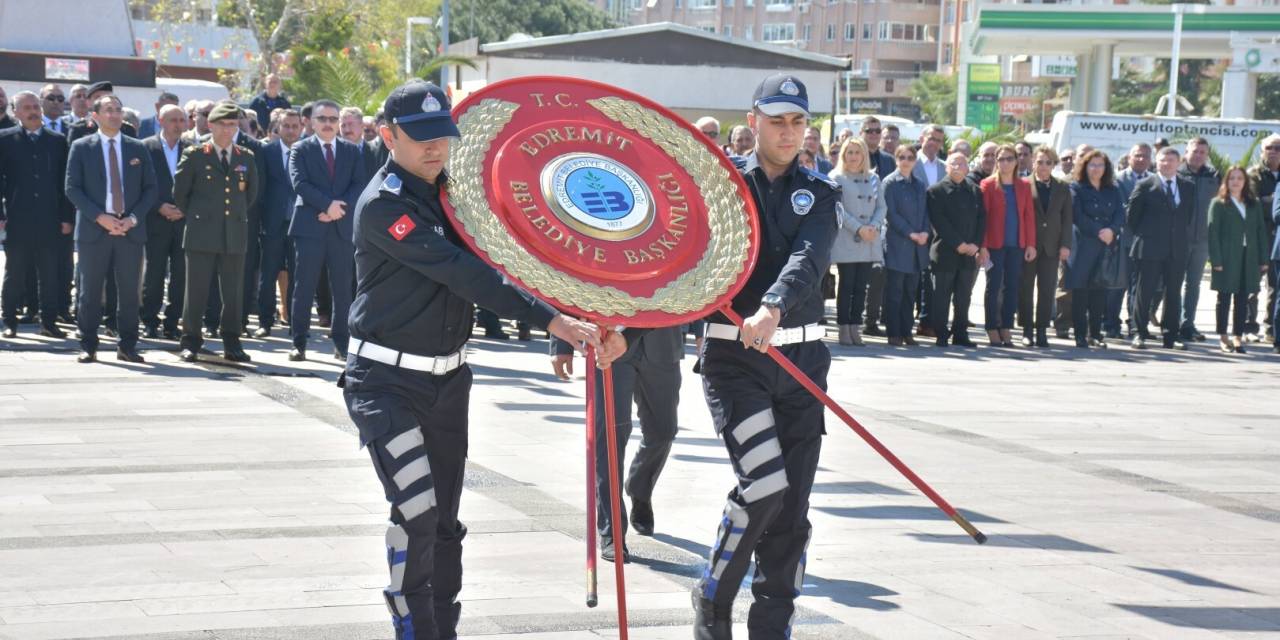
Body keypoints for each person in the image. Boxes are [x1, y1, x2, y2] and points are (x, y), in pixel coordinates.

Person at [343, 79, 620, 640]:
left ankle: (442, 626)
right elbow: (465, 272)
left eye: (441, 137)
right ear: (386, 136)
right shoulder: (384, 205)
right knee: (416, 510)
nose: (434, 149)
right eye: (419, 138)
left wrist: (588, 318)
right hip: (385, 381)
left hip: (448, 382)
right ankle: (413, 627)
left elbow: (527, 254)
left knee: (444, 523)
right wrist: (553, 320)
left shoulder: (459, 194)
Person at [691, 73, 838, 640]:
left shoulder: (820, 194)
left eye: (798, 121)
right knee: (764, 484)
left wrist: (773, 307)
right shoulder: (721, 188)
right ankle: (714, 595)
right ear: (752, 122)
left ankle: (773, 624)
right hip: (734, 362)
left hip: (801, 362)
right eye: (776, 120)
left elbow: (808, 257)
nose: (788, 132)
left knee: (792, 508)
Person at [551, 326, 682, 561]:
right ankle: (611, 531)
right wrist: (561, 343)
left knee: (664, 431)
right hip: (608, 344)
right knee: (610, 436)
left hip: (662, 345)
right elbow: (575, 288)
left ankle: (640, 488)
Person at [64, 94, 157, 363]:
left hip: (130, 231)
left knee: (129, 292)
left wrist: (133, 219)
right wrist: (99, 217)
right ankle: (88, 344)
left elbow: (151, 189)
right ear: (95, 116)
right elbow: (72, 188)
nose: (115, 115)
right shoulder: (82, 147)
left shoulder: (137, 148)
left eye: (118, 110)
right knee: (90, 291)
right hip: (95, 230)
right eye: (108, 110)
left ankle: (127, 346)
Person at [171, 101, 259, 363]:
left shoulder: (246, 157)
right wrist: (201, 217)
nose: (228, 130)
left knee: (232, 292)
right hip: (201, 232)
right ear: (210, 125)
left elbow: (250, 195)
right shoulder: (196, 154)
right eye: (223, 124)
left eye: (233, 124)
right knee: (195, 291)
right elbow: (180, 195)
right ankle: (190, 341)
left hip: (234, 233)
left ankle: (232, 341)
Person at [287, 99, 366, 361]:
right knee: (304, 287)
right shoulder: (300, 149)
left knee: (342, 289)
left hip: (341, 227)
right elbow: (300, 183)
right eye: (323, 119)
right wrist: (327, 204)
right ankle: (299, 342)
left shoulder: (352, 151)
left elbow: (359, 184)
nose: (329, 124)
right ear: (311, 121)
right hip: (310, 226)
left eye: (334, 119)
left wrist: (337, 209)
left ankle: (342, 344)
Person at [0, 91, 73, 338]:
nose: (33, 111)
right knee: (15, 272)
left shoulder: (57, 140)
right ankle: (9, 320)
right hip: (18, 217)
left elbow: (65, 182)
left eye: (35, 107)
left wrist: (66, 217)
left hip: (50, 219)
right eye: (27, 108)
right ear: (16, 112)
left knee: (50, 273)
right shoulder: (5, 139)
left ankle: (49, 322)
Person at [1127, 146, 1195, 350]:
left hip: (1177, 248)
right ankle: (1139, 332)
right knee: (1144, 291)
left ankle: (1170, 335)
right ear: (1157, 162)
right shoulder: (1145, 184)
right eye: (1163, 160)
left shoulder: (1187, 186)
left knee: (1173, 292)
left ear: (1179, 162)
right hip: (1149, 247)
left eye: (1171, 160)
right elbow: (1132, 217)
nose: (1167, 164)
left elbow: (1187, 216)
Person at [1063, 150, 1124, 349]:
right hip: (1083, 245)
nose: (1096, 169)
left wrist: (1112, 231)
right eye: (1092, 165)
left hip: (1106, 245)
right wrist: (1100, 231)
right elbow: (1077, 216)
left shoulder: (1113, 189)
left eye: (1100, 165)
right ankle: (1080, 334)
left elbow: (1120, 214)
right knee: (1081, 293)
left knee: (1099, 292)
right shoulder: (1076, 188)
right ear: (1085, 166)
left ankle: (1095, 334)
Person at [829, 137, 886, 347]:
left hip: (869, 239)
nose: (853, 157)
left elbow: (882, 206)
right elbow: (837, 209)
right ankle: (844, 328)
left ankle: (855, 327)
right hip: (848, 239)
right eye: (849, 152)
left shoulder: (873, 178)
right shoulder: (836, 177)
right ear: (843, 155)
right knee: (847, 284)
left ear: (864, 155)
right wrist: (859, 228)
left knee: (862, 286)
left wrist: (874, 225)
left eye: (857, 152)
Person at [978, 145, 1037, 347]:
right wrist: (982, 246)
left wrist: (1030, 244)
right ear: (996, 161)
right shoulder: (987, 184)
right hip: (994, 245)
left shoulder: (1023, 186)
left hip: (1016, 245)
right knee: (993, 287)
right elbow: (982, 219)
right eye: (1001, 159)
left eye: (1009, 159)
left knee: (1012, 287)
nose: (1005, 163)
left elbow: (1028, 216)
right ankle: (991, 327)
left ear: (1016, 161)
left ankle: (1006, 326)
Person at [140, 104, 189, 340]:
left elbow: (199, 186)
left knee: (181, 275)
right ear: (161, 120)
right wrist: (158, 206)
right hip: (155, 220)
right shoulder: (145, 147)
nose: (178, 124)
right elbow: (138, 185)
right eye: (173, 120)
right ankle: (149, 320)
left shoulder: (192, 149)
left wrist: (184, 209)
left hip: (183, 222)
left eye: (182, 120)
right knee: (154, 274)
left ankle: (172, 322)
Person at [1208, 166, 1269, 354]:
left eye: (1240, 178)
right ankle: (1223, 336)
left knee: (1242, 298)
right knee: (1224, 297)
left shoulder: (1254, 203)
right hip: (1227, 257)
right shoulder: (1218, 203)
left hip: (1248, 257)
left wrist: (1263, 258)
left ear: (1245, 182)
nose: (1236, 181)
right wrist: (1216, 259)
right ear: (1226, 181)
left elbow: (1260, 231)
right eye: (1232, 178)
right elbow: (1213, 232)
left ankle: (1237, 336)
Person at [254, 108, 302, 337]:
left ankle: (295, 322)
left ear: (301, 127)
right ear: (277, 128)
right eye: (286, 126)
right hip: (272, 223)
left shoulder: (308, 151)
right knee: (268, 273)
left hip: (300, 224)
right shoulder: (267, 151)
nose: (291, 130)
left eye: (295, 126)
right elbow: (259, 188)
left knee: (298, 274)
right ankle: (265, 321)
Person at [927, 152, 983, 348]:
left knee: (963, 296)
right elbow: (939, 221)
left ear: (968, 167)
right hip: (945, 251)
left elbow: (981, 220)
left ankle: (960, 332)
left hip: (969, 253)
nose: (958, 167)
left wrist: (976, 244)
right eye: (953, 163)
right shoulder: (936, 190)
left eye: (962, 163)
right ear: (946, 167)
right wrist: (958, 243)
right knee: (941, 295)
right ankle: (941, 334)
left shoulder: (976, 191)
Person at [1019, 146, 1072, 348]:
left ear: (1054, 165)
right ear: (1033, 162)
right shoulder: (1024, 184)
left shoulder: (1062, 187)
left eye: (1048, 162)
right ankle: (1027, 330)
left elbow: (1067, 219)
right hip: (1028, 246)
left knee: (1046, 291)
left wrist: (1065, 245)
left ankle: (1041, 331)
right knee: (1025, 289)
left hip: (1052, 246)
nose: (1043, 166)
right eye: (1040, 161)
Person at [883, 145, 929, 347]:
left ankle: (907, 332)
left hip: (917, 248)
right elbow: (890, 214)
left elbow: (926, 212)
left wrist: (926, 231)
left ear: (915, 161)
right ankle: (894, 333)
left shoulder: (919, 184)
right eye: (902, 157)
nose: (906, 161)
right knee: (895, 293)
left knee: (910, 293)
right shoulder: (890, 183)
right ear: (896, 159)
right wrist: (910, 233)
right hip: (897, 244)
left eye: (910, 157)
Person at [1177, 137, 1219, 343]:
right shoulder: (1176, 174)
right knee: (1172, 284)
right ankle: (1171, 321)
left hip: (1202, 240)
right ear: (1186, 152)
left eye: (1203, 152)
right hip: (1178, 239)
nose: (1198, 155)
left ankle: (1187, 324)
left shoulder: (1214, 176)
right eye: (1195, 151)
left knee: (1193, 284)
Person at [1113, 143, 1153, 339]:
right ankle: (1111, 323)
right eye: (1137, 155)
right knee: (1118, 284)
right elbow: (1118, 208)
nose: (1141, 159)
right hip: (1123, 239)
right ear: (1129, 157)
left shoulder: (1154, 181)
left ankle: (1135, 324)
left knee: (1138, 287)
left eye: (1145, 156)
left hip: (1145, 242)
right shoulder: (1118, 180)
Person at [1248, 133, 1280, 342]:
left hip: (1277, 239)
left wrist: (1268, 200)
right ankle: (1249, 326)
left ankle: (1270, 328)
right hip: (1257, 236)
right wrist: (1270, 201)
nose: (1274, 152)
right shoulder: (1253, 174)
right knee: (1252, 283)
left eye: (1278, 148)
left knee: (1275, 286)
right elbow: (1252, 203)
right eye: (1270, 147)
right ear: (1262, 150)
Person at [66, 82, 138, 143]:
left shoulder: (127, 129)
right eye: (98, 98)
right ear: (88, 103)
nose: (104, 102)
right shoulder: (79, 129)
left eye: (107, 97)